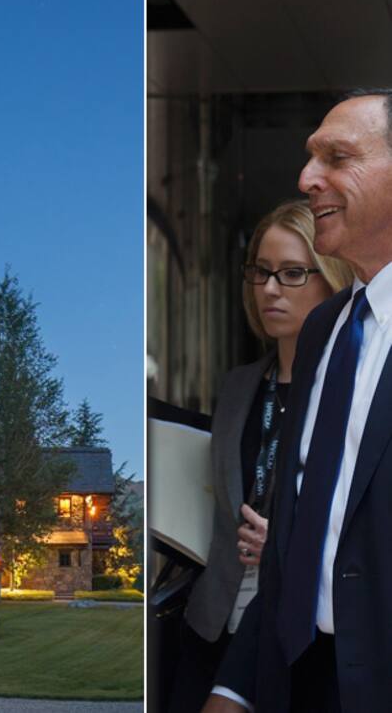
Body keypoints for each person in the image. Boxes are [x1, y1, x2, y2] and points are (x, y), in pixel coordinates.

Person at [203, 89, 392, 713]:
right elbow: (297, 545)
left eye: (337, 157)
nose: (308, 178)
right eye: (311, 158)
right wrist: (234, 688)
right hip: (301, 679)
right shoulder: (325, 333)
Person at [167, 201, 352, 713]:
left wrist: (291, 541)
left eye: (292, 273)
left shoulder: (352, 391)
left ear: (333, 279)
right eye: (261, 271)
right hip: (213, 619)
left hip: (297, 628)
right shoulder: (239, 386)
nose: (270, 289)